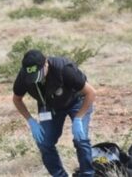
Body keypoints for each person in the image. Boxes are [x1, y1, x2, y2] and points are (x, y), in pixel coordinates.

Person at [12, 49, 96, 177]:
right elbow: (17, 99)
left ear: (46, 64)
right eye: (32, 77)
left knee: (81, 139)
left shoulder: (64, 69)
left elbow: (91, 93)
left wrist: (78, 118)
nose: (36, 79)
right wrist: (30, 120)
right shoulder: (25, 75)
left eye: (39, 74)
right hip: (49, 107)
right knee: (44, 142)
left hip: (76, 102)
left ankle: (87, 174)